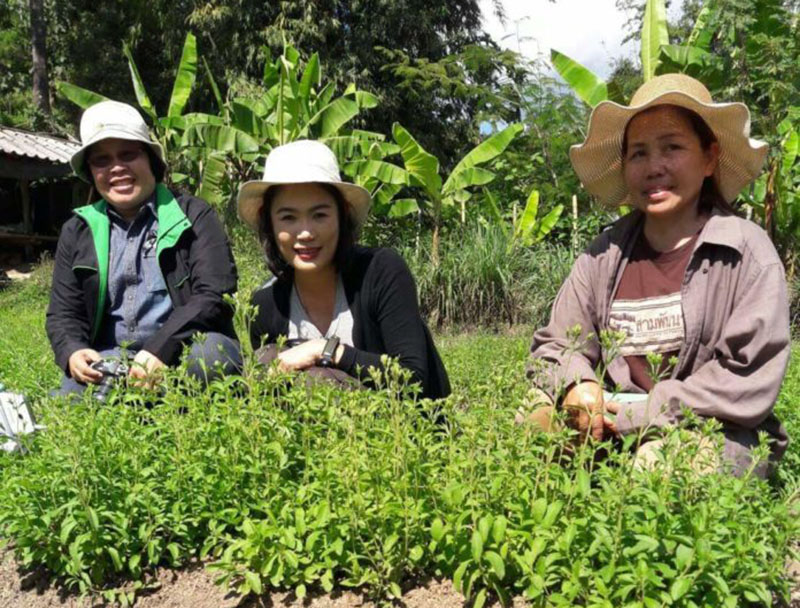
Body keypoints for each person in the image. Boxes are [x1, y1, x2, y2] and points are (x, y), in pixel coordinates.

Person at [528, 74, 789, 477]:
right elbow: (557, 344)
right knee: (533, 419)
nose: (654, 167)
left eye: (672, 147)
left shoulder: (747, 253)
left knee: (656, 468)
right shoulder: (603, 254)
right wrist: (577, 385)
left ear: (708, 157)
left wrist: (648, 414)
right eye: (638, 153)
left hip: (710, 430)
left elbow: (745, 376)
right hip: (611, 423)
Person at [46, 100, 241, 396]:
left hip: (183, 351)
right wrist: (73, 351)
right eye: (102, 160)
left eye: (128, 155)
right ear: (90, 171)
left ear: (151, 159)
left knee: (212, 357)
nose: (116, 168)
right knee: (71, 397)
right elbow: (63, 314)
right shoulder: (78, 230)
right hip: (113, 359)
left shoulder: (194, 215)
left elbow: (214, 294)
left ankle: (178, 410)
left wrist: (160, 349)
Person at [237, 139, 450, 400]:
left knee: (315, 378)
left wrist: (324, 350)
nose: (305, 233)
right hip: (310, 436)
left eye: (320, 215)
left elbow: (413, 375)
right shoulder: (266, 305)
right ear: (268, 221)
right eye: (288, 217)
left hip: (404, 428)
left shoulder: (381, 272)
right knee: (263, 361)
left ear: (343, 214)